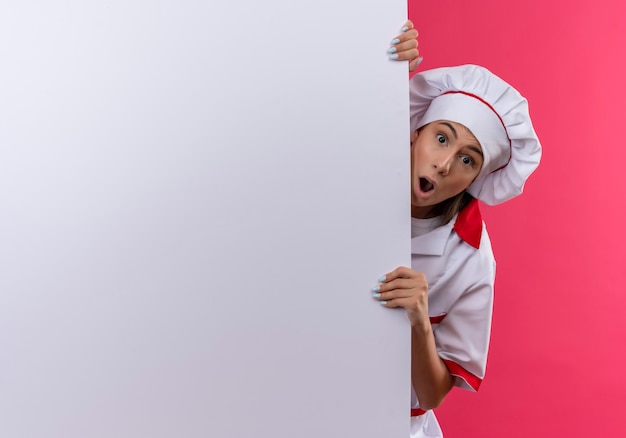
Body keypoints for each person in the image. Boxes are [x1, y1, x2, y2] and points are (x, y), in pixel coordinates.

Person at [378, 22, 542, 437]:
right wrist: (379, 64)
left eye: (468, 160)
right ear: (414, 135)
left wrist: (417, 321)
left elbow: (433, 394)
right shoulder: (358, 177)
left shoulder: (471, 261)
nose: (445, 164)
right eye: (441, 138)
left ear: (475, 180)